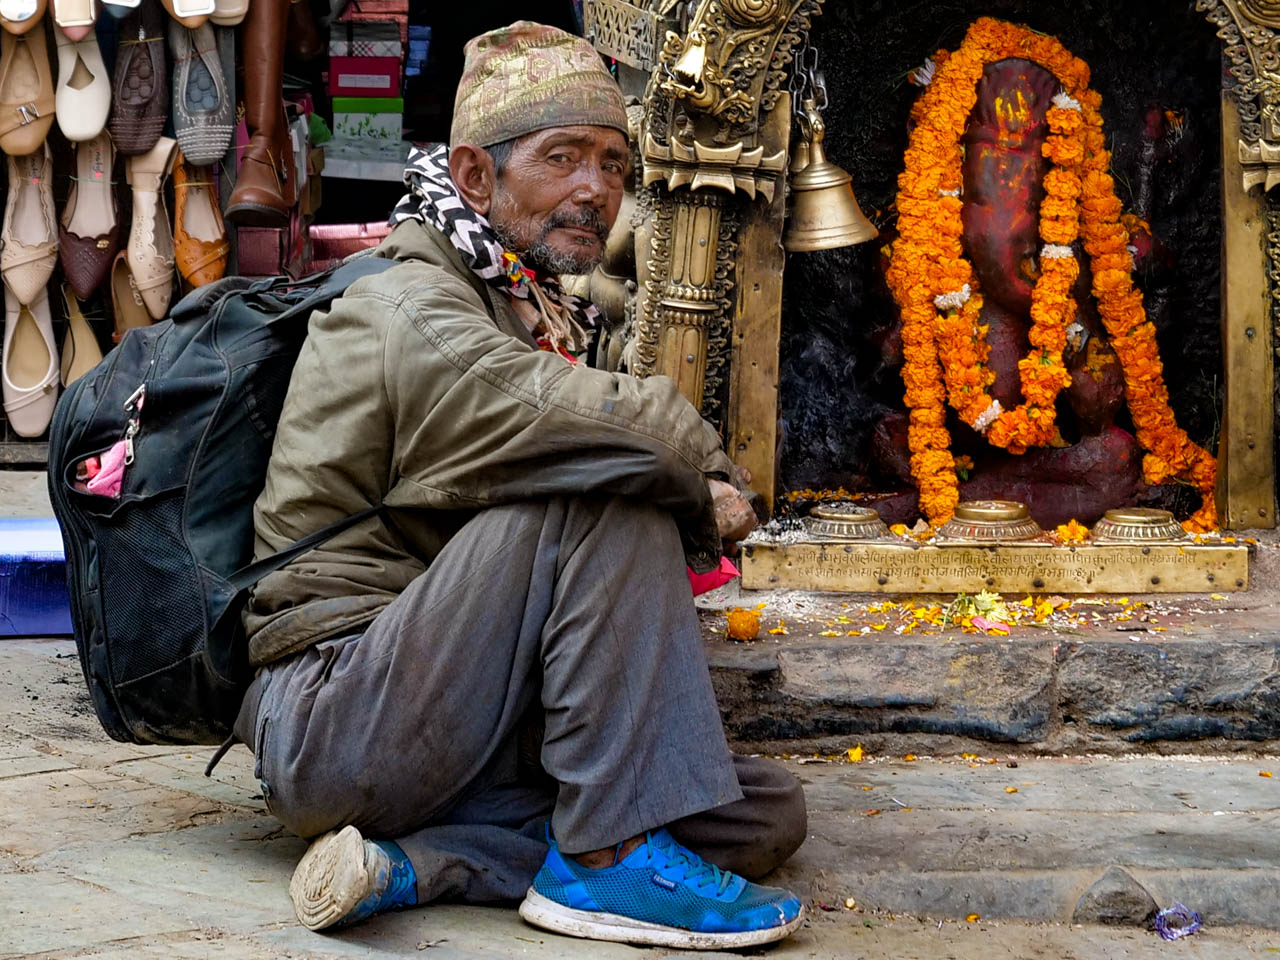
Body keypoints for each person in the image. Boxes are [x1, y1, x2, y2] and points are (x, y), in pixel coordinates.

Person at [234, 20, 808, 951]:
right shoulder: (408, 305)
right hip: (337, 714)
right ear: (473, 175)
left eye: (614, 164)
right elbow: (590, 421)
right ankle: (603, 862)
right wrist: (701, 473)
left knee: (761, 814)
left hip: (458, 717)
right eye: (563, 157)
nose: (596, 189)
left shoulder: (524, 297)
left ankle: (424, 864)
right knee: (606, 485)